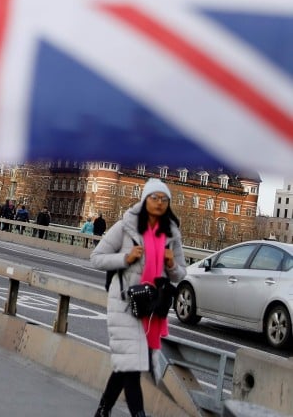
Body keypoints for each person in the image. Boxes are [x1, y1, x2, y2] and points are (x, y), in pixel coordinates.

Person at [90, 179, 185, 417]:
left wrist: (172, 263)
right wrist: (126, 258)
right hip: (124, 304)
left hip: (152, 308)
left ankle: (103, 409)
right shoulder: (125, 227)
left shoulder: (171, 234)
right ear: (144, 201)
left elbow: (180, 273)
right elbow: (97, 257)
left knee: (128, 363)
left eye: (164, 199)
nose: (159, 203)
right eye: (154, 198)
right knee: (132, 365)